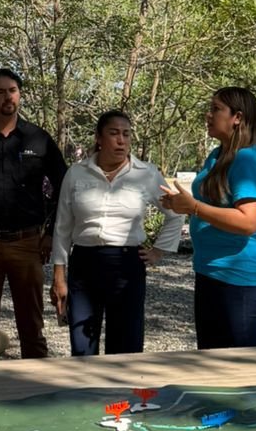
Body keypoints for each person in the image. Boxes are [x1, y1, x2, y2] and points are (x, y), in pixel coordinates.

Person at [50, 110, 182, 355]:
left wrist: (158, 252)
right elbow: (62, 227)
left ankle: (122, 394)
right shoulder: (76, 173)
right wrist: (59, 276)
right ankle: (88, 393)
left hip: (126, 265)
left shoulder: (146, 174)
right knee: (82, 347)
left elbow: (176, 213)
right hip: (84, 264)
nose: (121, 140)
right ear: (99, 138)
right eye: (114, 133)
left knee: (126, 346)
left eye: (126, 134)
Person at [0, 68, 67, 361]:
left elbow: (65, 188)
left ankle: (37, 397)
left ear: (20, 95)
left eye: (13, 90)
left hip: (27, 244)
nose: (8, 97)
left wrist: (51, 234)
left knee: (32, 328)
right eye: (1, 91)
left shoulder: (39, 139)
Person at [160, 86, 256, 348]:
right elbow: (211, 203)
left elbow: (248, 222)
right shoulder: (217, 155)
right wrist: (180, 204)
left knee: (241, 371)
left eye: (216, 109)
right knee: (212, 367)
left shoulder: (246, 160)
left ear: (238, 117)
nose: (208, 115)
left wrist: (195, 208)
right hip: (210, 273)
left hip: (239, 280)